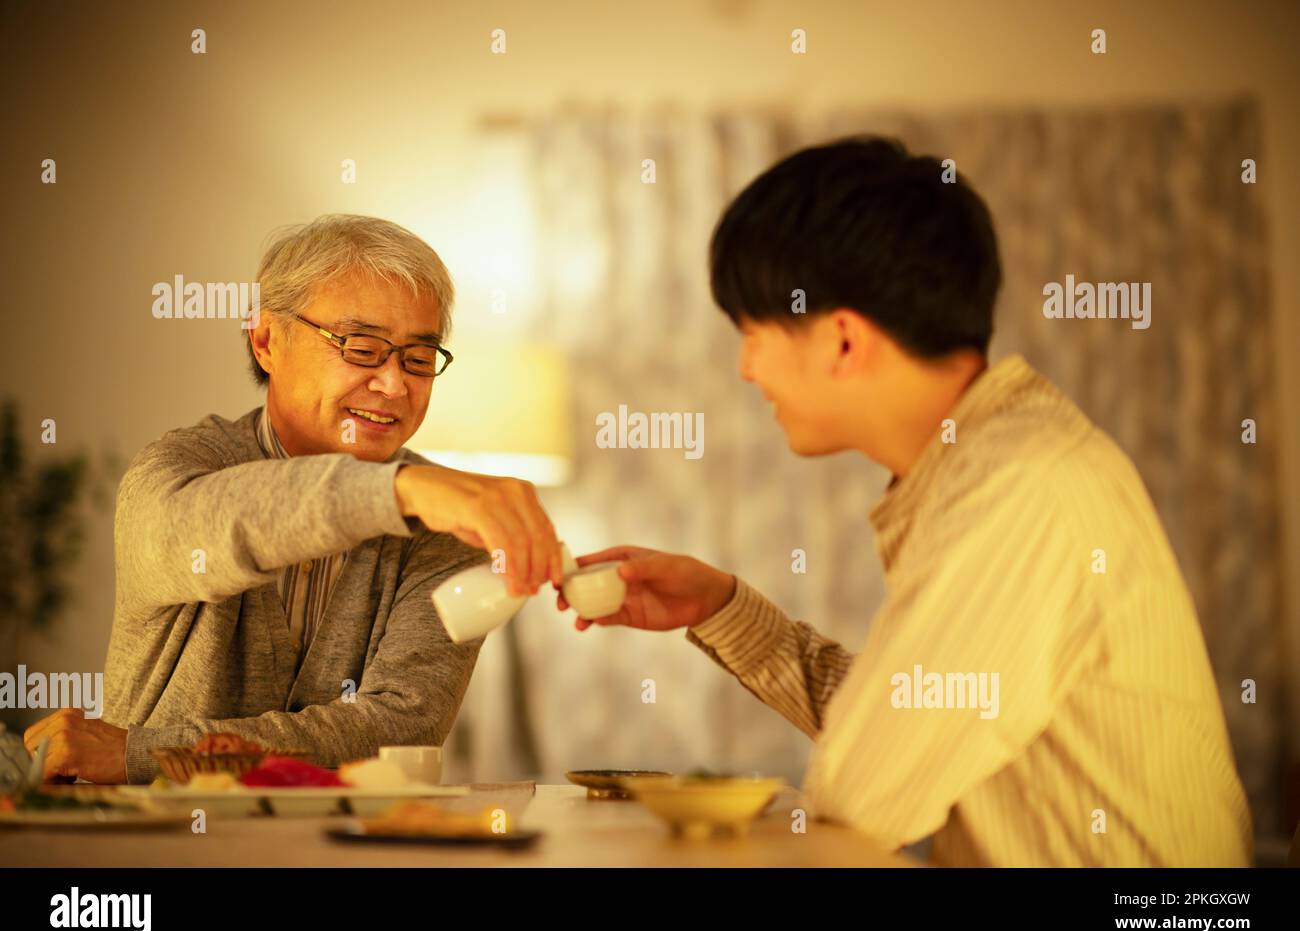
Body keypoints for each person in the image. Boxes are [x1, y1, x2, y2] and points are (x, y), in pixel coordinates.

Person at [559, 138, 1252, 866]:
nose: (745, 368)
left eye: (752, 332)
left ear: (844, 341)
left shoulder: (1019, 487)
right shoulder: (985, 463)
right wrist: (721, 605)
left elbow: (863, 795)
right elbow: (906, 721)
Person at [26, 214, 563, 784]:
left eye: (418, 358)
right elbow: (213, 525)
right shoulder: (179, 470)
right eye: (361, 348)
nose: (395, 384)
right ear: (266, 341)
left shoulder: (444, 522)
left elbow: (398, 731)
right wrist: (402, 489)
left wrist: (145, 754)